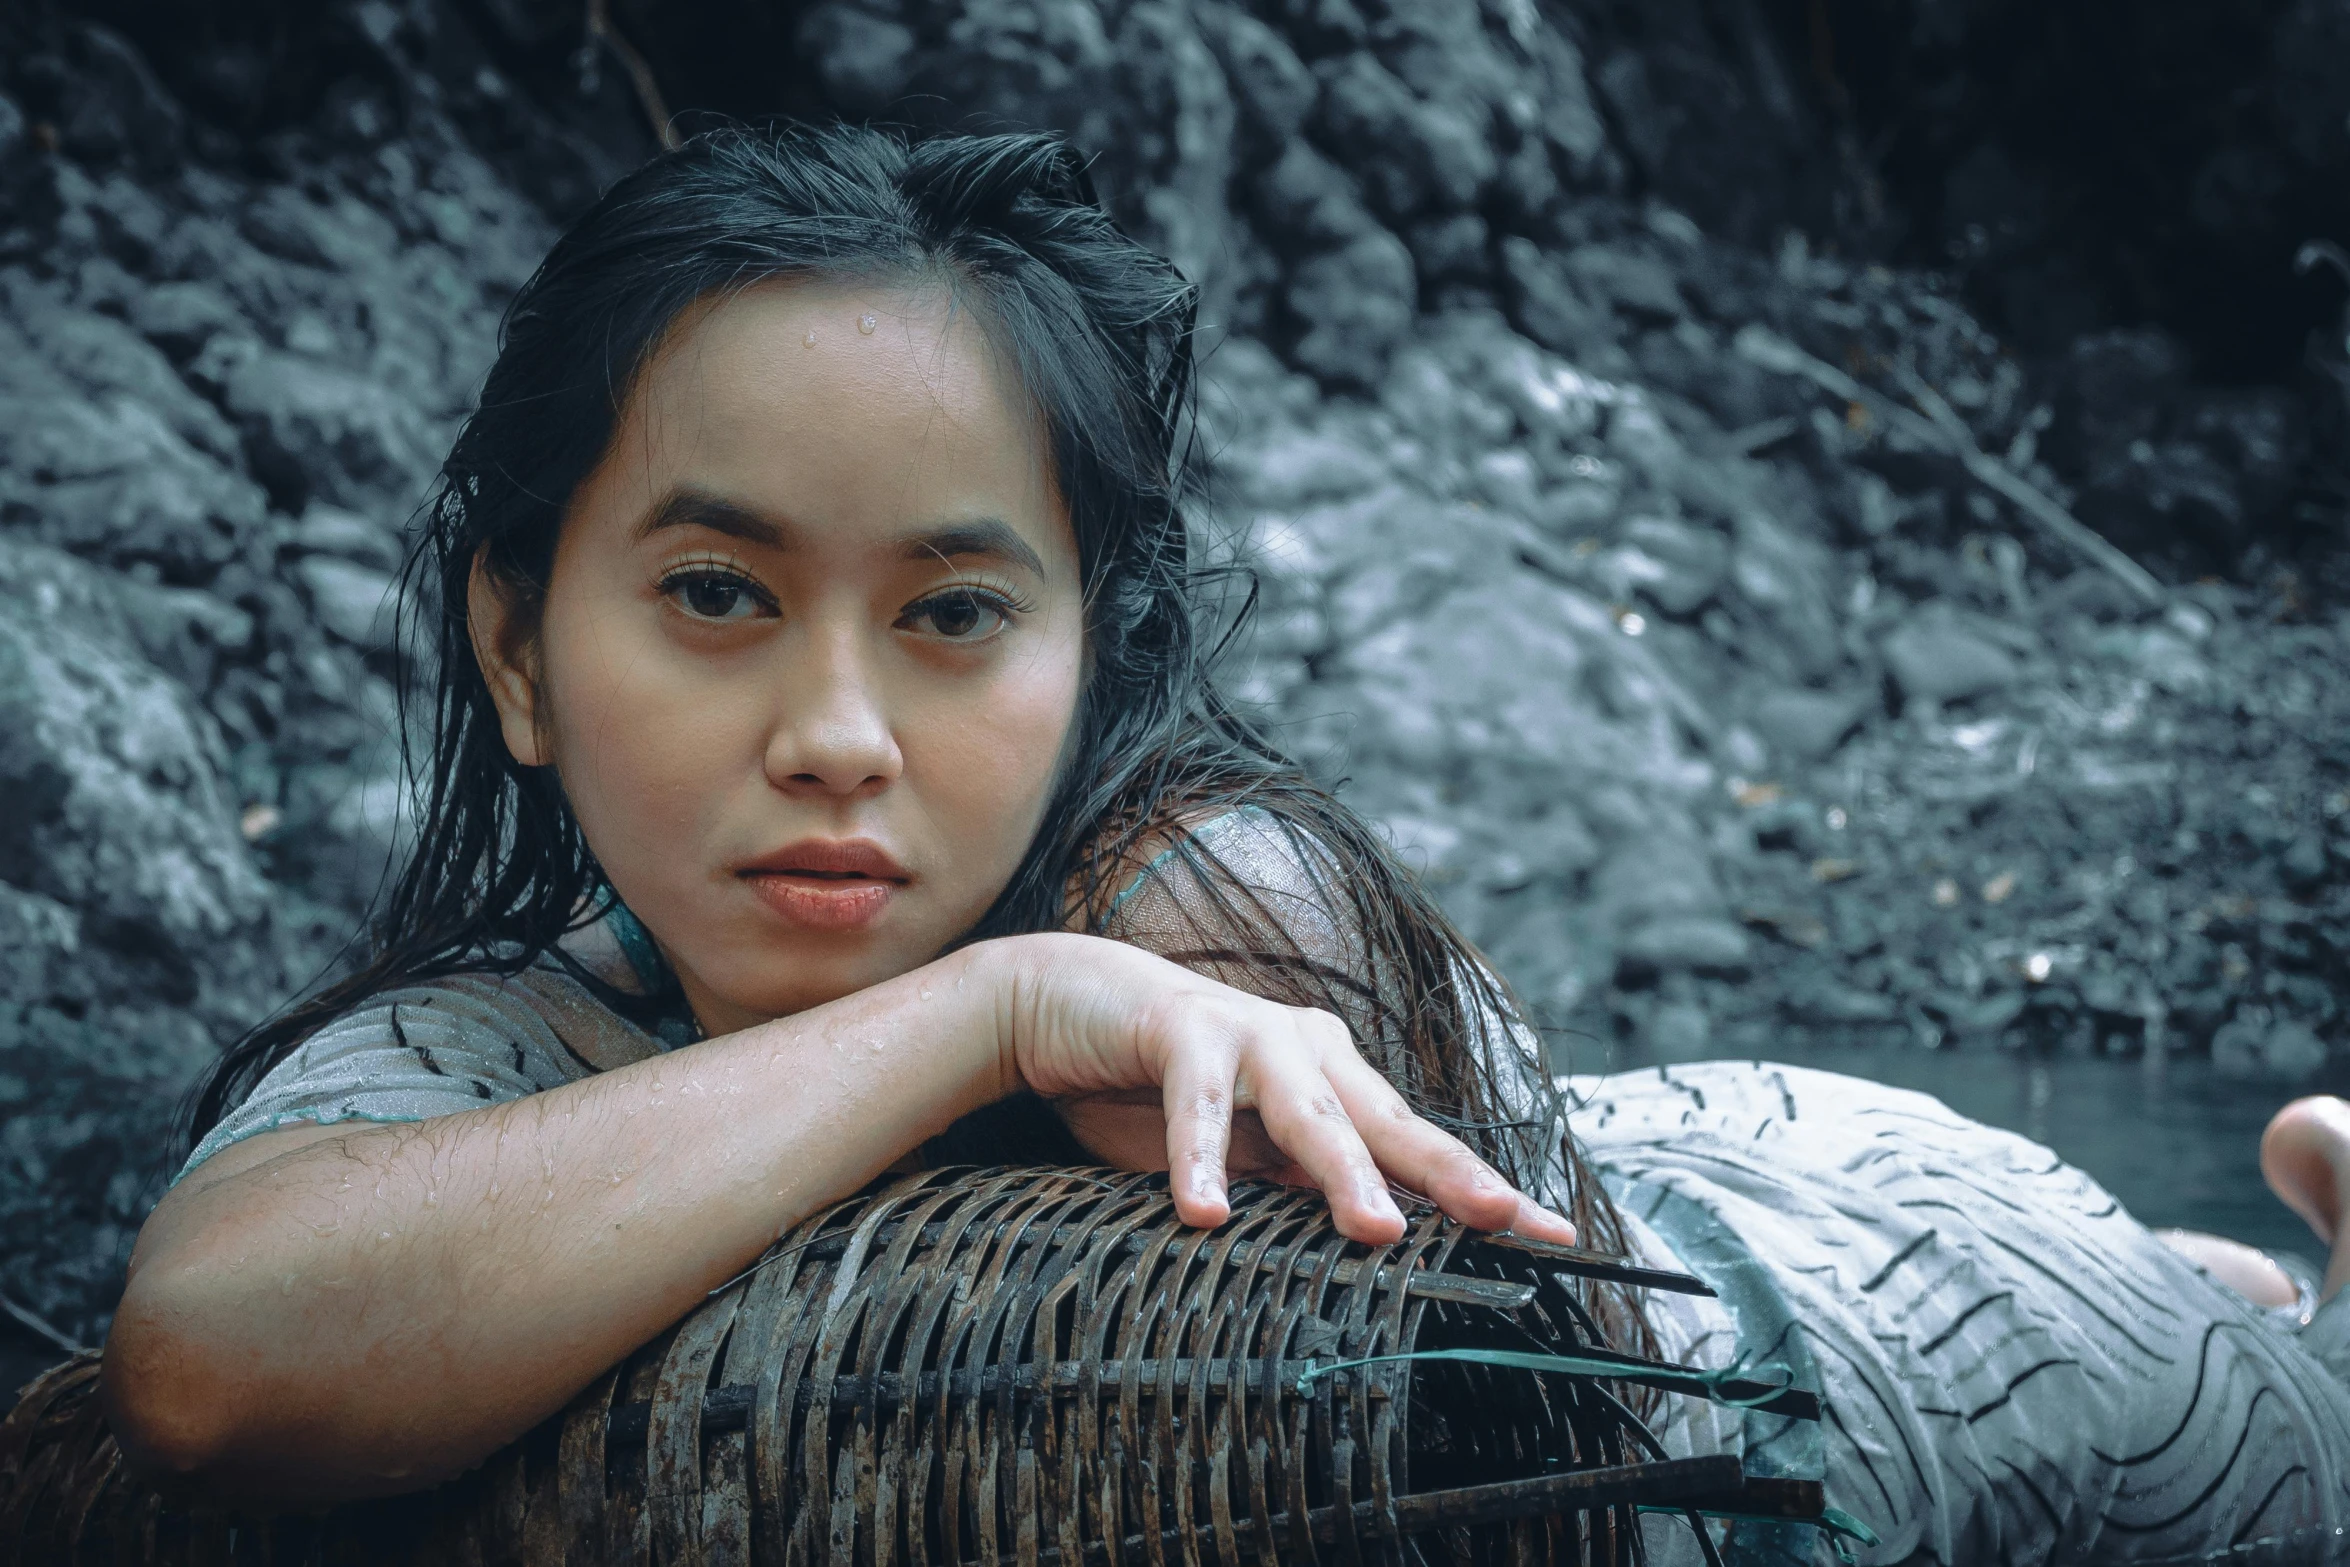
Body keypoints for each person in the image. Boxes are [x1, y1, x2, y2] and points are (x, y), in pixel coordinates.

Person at [99, 125, 2350, 1563]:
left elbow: (1355, 1278)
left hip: (1891, 1329)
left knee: (2284, 1410)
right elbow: (214, 1365)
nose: (836, 734)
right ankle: (2253, 1249)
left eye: (957, 615)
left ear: (1091, 655)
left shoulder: (1197, 897)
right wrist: (975, 1006)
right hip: (1726, 1146)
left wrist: (1060, 996)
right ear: (515, 644)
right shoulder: (511, 1039)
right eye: (715, 596)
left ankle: (2254, 1277)